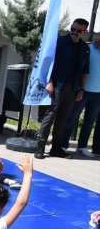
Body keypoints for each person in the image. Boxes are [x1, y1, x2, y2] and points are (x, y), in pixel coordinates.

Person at [36, 18, 90, 159]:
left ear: (85, 32)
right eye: (72, 29)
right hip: (57, 85)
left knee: (63, 119)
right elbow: (47, 63)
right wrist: (49, 81)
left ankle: (56, 148)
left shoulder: (85, 48)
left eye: (78, 31)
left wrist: (81, 89)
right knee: (50, 116)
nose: (74, 32)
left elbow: (85, 70)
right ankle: (40, 147)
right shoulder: (59, 42)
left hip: (73, 87)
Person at [64, 26, 98, 158]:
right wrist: (80, 88)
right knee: (72, 118)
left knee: (90, 121)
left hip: (98, 93)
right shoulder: (88, 48)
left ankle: (82, 146)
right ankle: (64, 144)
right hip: (83, 90)